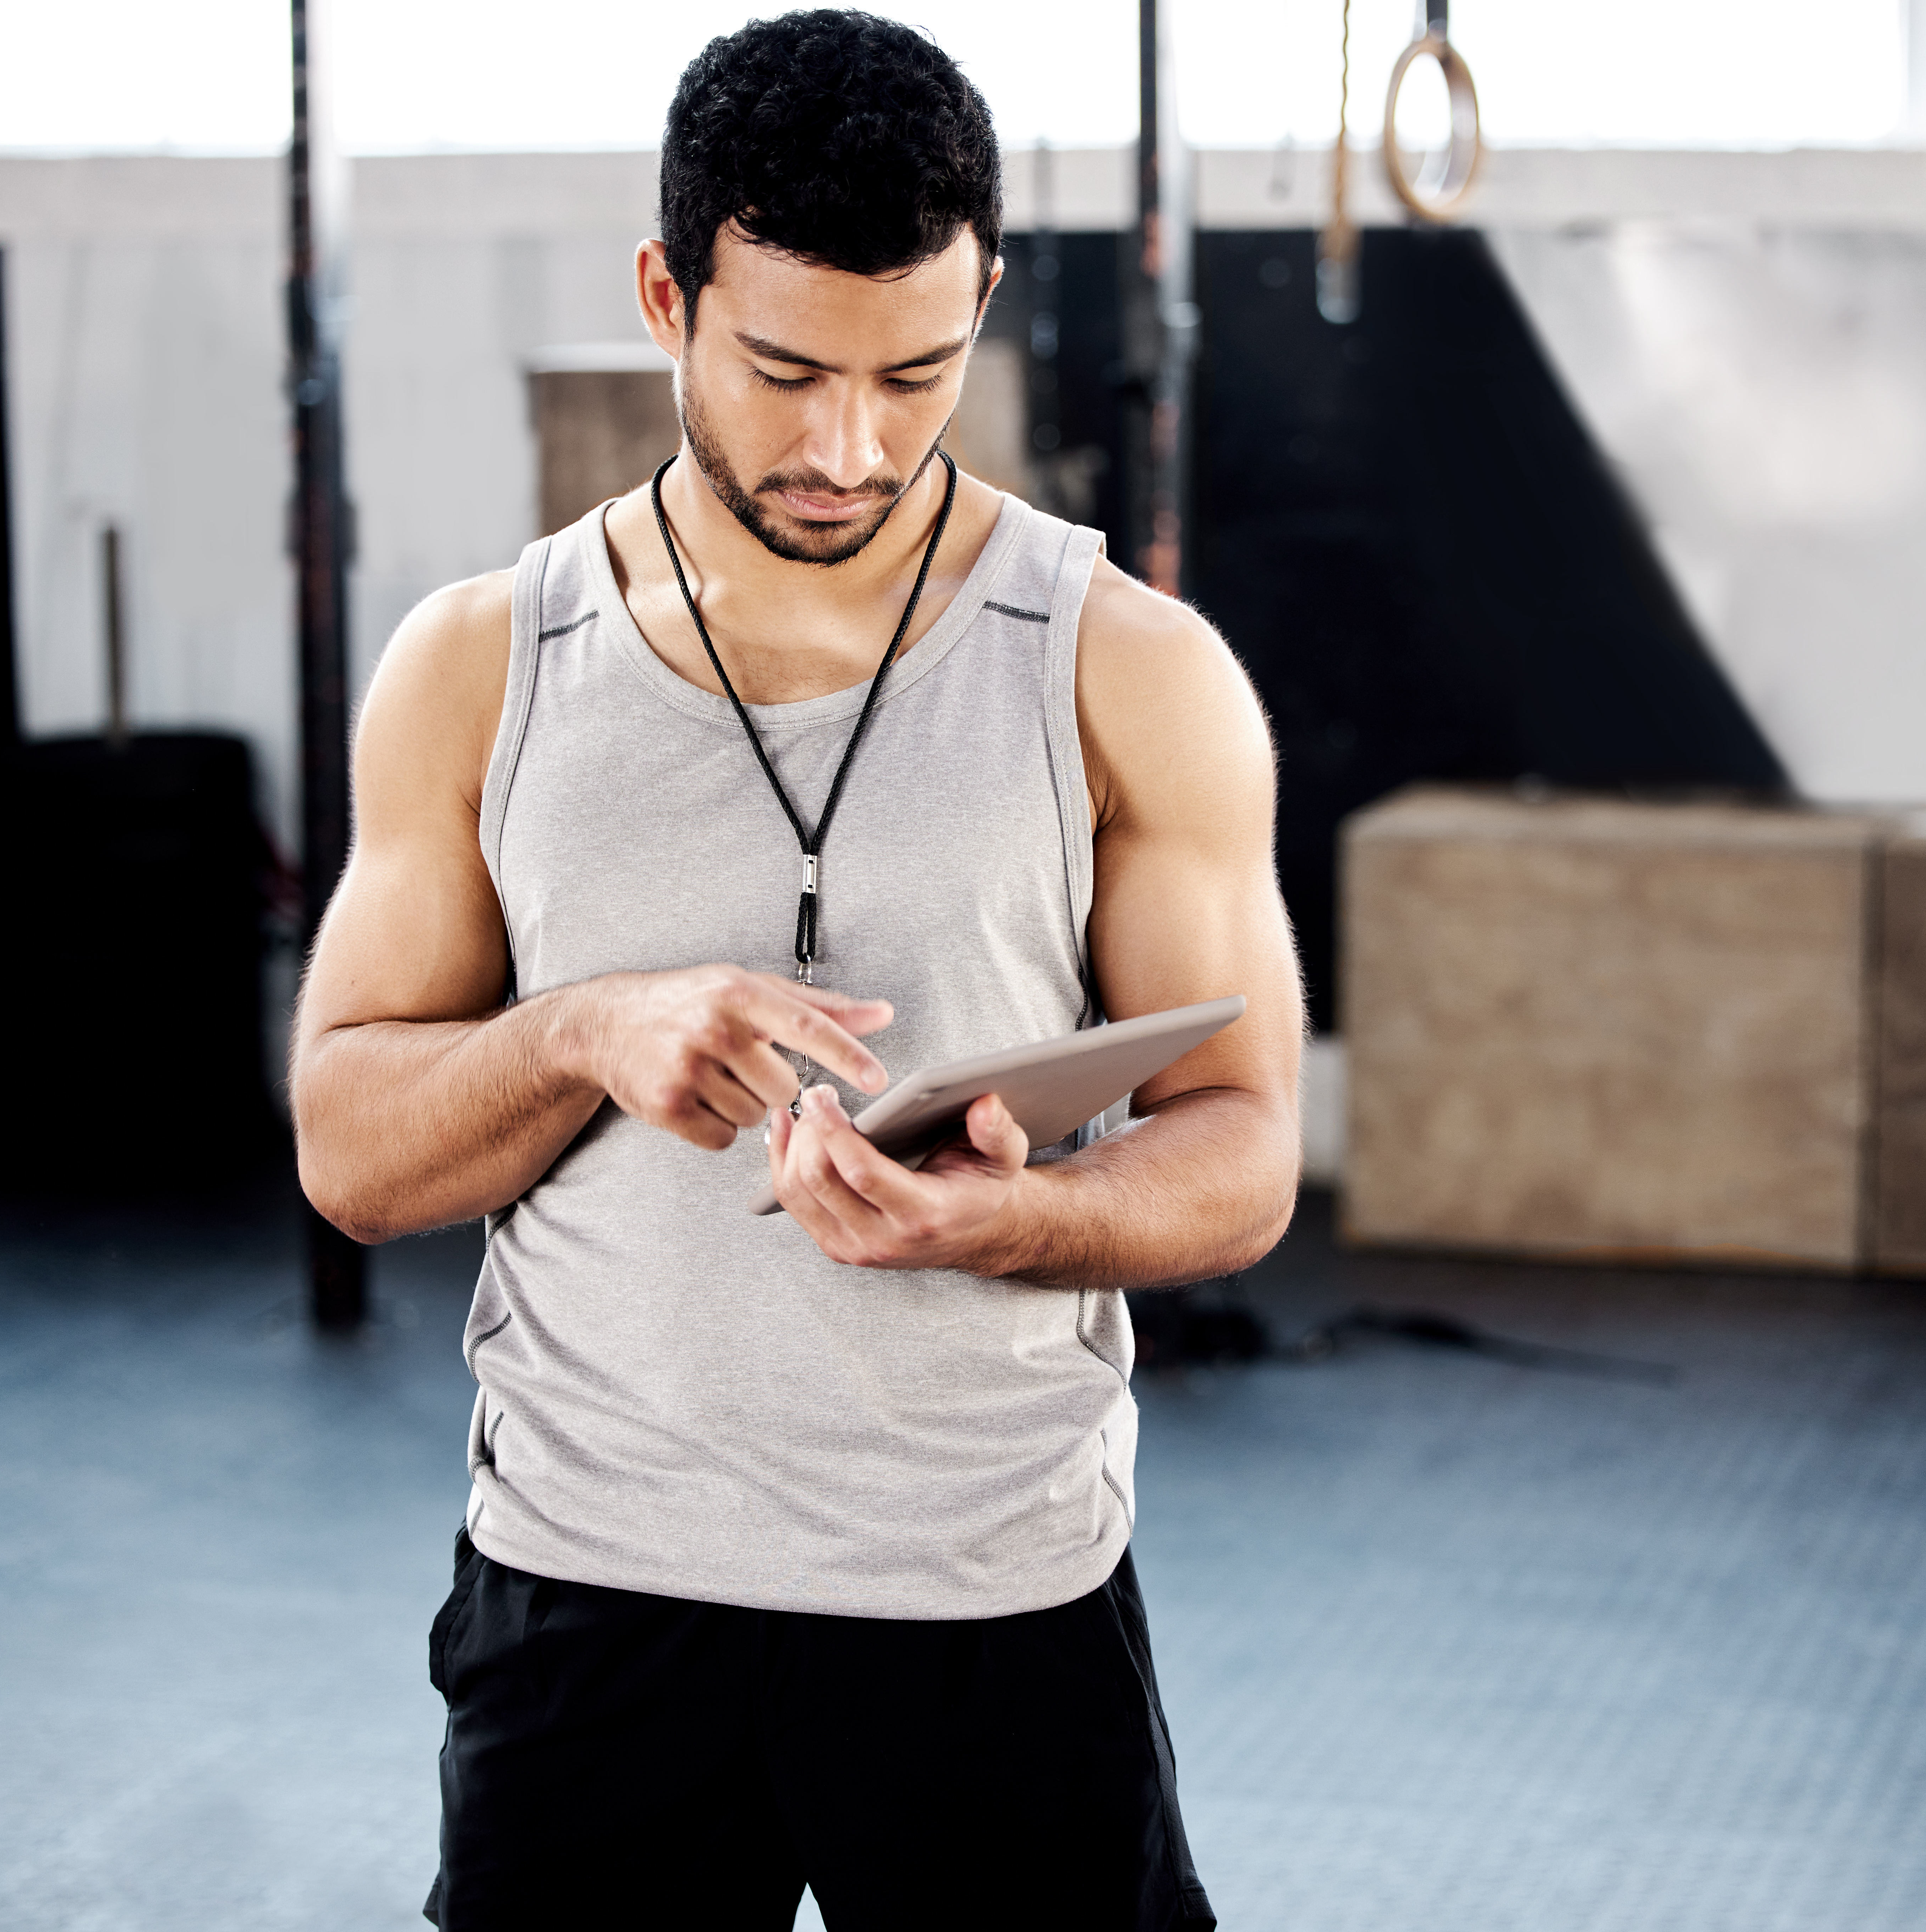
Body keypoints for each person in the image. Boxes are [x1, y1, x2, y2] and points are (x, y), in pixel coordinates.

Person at [290, 11, 1301, 1928]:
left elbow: (1243, 1148)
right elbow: (352, 1151)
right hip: (591, 1601)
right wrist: (586, 1029)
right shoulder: (484, 663)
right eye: (782, 369)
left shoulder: (1127, 665)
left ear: (986, 297)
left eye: (918, 373)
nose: (849, 446)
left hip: (989, 1600)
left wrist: (1004, 1221)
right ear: (668, 294)